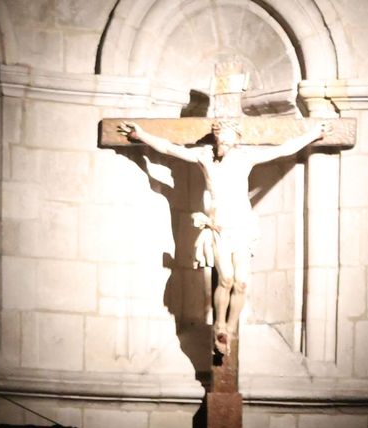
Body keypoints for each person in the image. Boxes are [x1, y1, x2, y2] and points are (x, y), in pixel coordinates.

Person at [119, 117, 328, 357]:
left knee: (241, 282)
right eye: (221, 138)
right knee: (226, 279)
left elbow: (284, 149)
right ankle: (219, 324)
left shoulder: (245, 158)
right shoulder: (204, 157)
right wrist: (141, 135)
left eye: (228, 139)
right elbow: (169, 148)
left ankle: (230, 329)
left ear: (236, 140)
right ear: (217, 137)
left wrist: (312, 135)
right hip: (219, 229)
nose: (223, 143)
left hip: (242, 226)